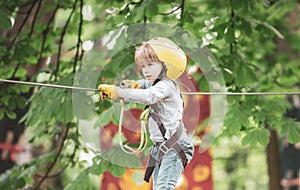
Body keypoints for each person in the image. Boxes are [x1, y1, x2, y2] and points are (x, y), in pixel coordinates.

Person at [98, 37, 194, 189]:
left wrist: (119, 92)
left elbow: (148, 96)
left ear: (165, 65)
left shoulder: (166, 86)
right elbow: (144, 85)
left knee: (164, 187)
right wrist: (134, 85)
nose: (146, 70)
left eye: (150, 64)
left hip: (176, 147)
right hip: (161, 148)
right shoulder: (153, 83)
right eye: (143, 66)